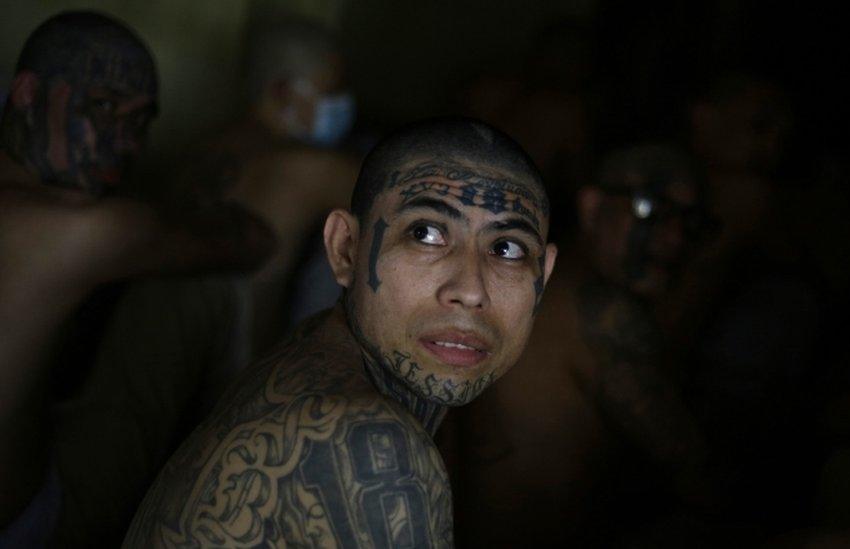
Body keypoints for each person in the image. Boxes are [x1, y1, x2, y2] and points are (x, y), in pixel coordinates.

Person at [124, 116, 557, 547]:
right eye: (425, 234)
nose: (470, 290)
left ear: (545, 275)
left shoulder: (316, 353)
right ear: (345, 249)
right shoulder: (366, 438)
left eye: (507, 248)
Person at [0, 11, 273, 546]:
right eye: (100, 107)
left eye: (139, 121)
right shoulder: (82, 228)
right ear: (27, 93)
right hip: (28, 524)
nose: (122, 143)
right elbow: (253, 238)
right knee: (204, 284)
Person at [446, 143, 713, 547]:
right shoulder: (603, 311)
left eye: (689, 222)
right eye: (647, 209)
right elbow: (696, 469)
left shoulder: (535, 285)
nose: (673, 236)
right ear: (591, 207)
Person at [189, 15, 361, 359]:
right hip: (241, 370)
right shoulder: (310, 168)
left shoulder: (198, 152)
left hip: (175, 361)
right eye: (330, 91)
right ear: (283, 91)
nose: (343, 104)